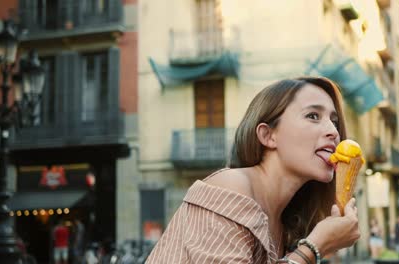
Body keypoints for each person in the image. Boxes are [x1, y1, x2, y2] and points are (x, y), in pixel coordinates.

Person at [145, 77, 360, 263]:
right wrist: (316, 246)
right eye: (313, 116)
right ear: (268, 135)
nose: (334, 132)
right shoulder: (232, 187)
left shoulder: (283, 224)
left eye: (334, 121)